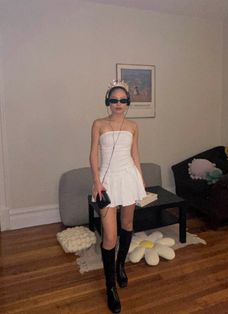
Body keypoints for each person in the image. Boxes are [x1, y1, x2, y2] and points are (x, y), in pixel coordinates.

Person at [89, 80, 146, 313]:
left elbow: (135, 154)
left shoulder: (133, 126)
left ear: (128, 103)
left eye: (123, 100)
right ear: (108, 102)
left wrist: (140, 181)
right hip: (108, 180)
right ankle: (110, 286)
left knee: (128, 224)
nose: (118, 104)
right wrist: (97, 181)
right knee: (110, 236)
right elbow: (93, 154)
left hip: (129, 178)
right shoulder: (98, 124)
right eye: (114, 100)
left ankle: (121, 265)